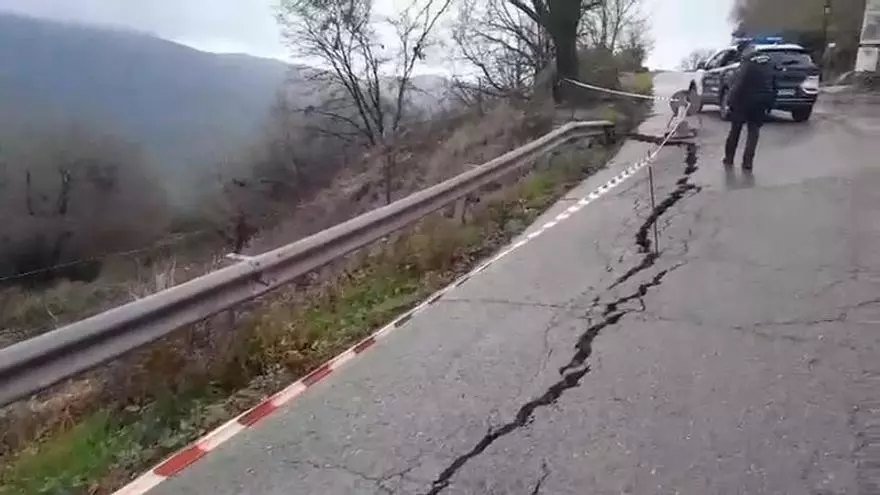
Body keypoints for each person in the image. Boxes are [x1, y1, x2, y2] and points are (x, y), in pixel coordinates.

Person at [723, 42, 776, 171]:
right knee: (753, 133)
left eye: (741, 52)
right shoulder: (769, 62)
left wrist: (729, 101)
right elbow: (774, 82)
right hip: (761, 102)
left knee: (735, 131)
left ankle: (729, 159)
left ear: (745, 50)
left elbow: (738, 84)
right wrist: (770, 102)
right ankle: (748, 162)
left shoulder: (747, 63)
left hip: (743, 102)